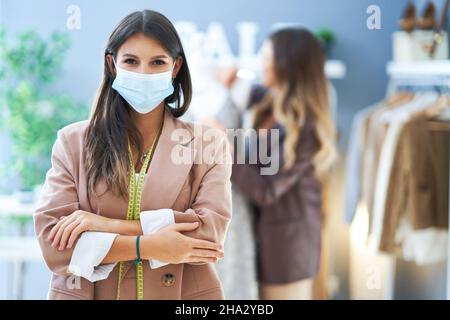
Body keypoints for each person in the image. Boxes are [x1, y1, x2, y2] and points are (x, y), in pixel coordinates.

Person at [34, 10, 232, 300]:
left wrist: (104, 225)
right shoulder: (72, 142)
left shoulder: (208, 143)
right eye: (131, 61)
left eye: (157, 62)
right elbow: (56, 246)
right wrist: (148, 246)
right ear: (112, 64)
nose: (144, 73)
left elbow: (207, 238)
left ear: (175, 67)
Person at [214, 27, 337, 299]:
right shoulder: (269, 100)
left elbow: (268, 190)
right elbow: (248, 91)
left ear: (287, 66)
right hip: (262, 239)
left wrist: (224, 147)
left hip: (287, 250)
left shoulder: (307, 128)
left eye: (267, 58)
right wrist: (230, 82)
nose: (261, 63)